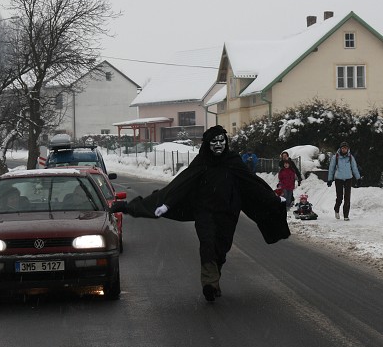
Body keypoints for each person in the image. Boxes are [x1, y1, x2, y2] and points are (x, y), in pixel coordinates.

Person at [112, 126, 290, 302]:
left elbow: (253, 184)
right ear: (207, 144)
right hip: (205, 212)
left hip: (228, 213)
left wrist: (273, 199)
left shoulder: (233, 161)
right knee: (207, 243)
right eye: (214, 142)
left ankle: (214, 279)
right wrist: (166, 203)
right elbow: (181, 184)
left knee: (221, 247)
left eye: (222, 141)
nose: (218, 145)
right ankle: (209, 284)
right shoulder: (202, 162)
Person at [326, 141, 361, 221]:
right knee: (340, 197)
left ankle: (346, 215)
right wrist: (330, 179)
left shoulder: (350, 157)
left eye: (345, 148)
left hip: (348, 178)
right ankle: (336, 209)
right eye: (342, 148)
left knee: (347, 198)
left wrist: (358, 178)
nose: (344, 149)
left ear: (347, 149)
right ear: (340, 148)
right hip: (338, 179)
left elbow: (354, 168)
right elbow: (331, 169)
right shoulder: (336, 157)